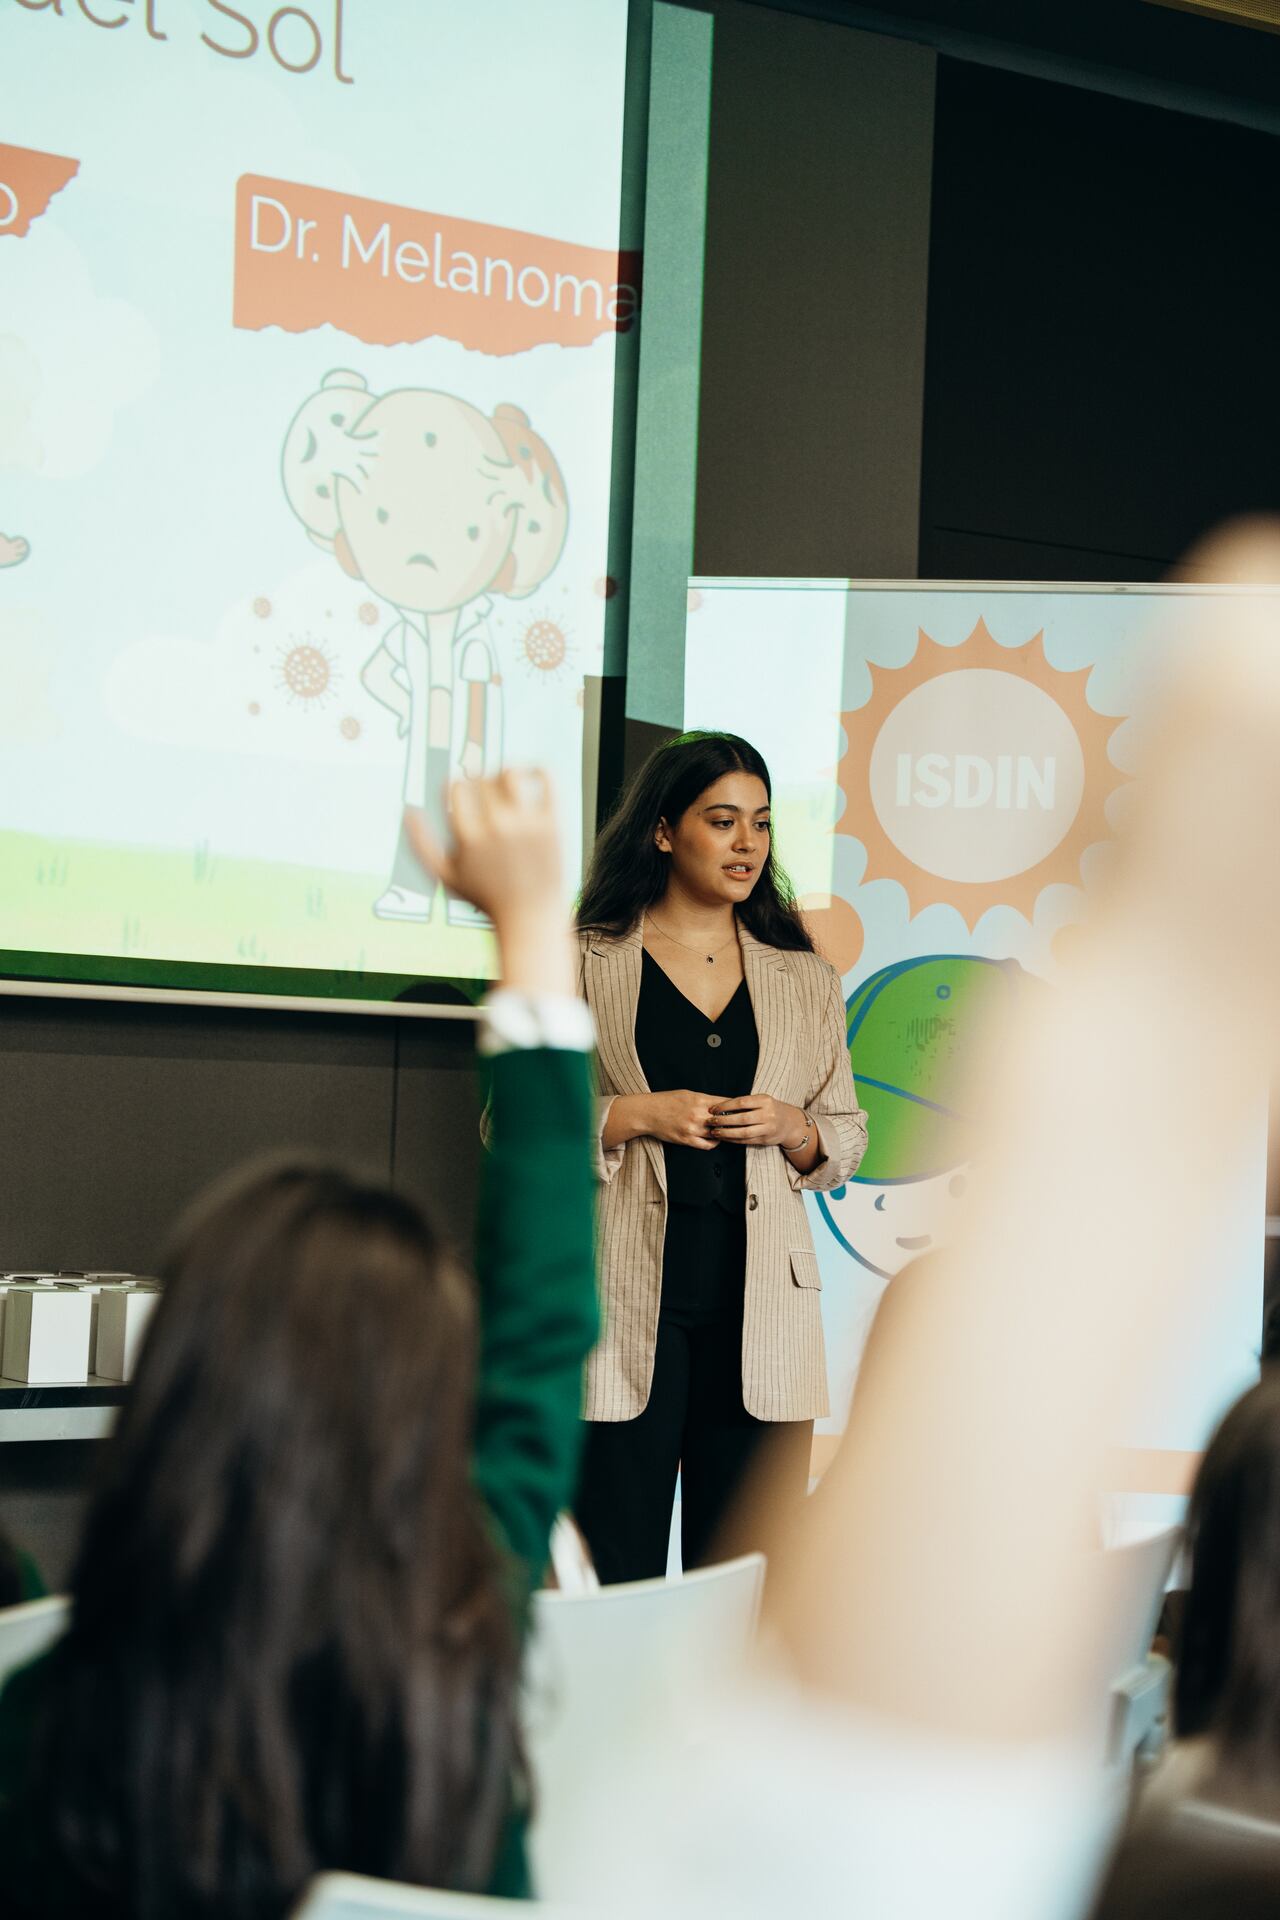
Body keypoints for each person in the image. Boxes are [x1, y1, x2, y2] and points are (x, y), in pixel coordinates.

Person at [0, 769, 598, 1918]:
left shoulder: (50, 1720)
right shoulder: (470, 1618)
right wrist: (529, 927)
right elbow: (542, 1315)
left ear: (176, 1391)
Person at [573, 731, 868, 1583]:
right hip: (628, 1308)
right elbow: (512, 1124)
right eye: (723, 821)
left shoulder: (806, 979)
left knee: (744, 1584)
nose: (748, 845)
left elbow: (843, 1136)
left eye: (762, 825)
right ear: (664, 832)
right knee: (610, 1573)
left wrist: (793, 1128)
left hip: (762, 1315)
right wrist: (631, 1113)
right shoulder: (588, 961)